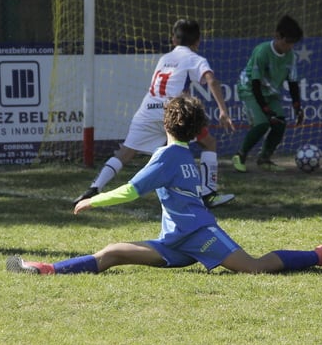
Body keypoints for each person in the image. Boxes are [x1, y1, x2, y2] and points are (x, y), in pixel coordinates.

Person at [9, 95, 322, 276]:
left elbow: (133, 190)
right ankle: (48, 269)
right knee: (113, 253)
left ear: (165, 123)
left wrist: (94, 200)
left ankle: (321, 255)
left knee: (255, 267)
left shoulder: (167, 157)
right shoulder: (181, 155)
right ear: (197, 131)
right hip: (174, 241)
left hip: (201, 234)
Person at [72, 19, 236, 209]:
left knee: (126, 152)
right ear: (198, 41)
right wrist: (223, 110)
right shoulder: (194, 58)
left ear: (173, 39)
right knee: (209, 143)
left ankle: (94, 188)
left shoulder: (164, 58)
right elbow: (212, 81)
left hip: (147, 111)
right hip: (172, 112)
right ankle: (208, 194)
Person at [231, 15, 304, 173]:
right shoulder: (262, 51)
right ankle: (240, 155)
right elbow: (256, 83)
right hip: (250, 88)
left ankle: (264, 158)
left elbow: (293, 84)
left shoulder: (290, 56)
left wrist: (297, 106)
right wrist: (264, 109)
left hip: (270, 93)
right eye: (287, 42)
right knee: (263, 123)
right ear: (277, 36)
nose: (289, 46)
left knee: (280, 123)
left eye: (293, 43)